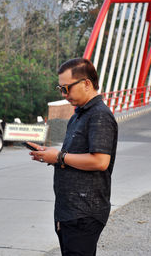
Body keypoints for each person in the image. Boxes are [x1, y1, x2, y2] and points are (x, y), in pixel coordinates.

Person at [28, 58, 118, 256]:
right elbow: (71, 157)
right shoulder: (79, 115)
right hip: (69, 210)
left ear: (86, 83)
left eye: (66, 88)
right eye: (60, 88)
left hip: (84, 212)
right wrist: (49, 155)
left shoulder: (99, 115)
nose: (63, 94)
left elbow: (100, 161)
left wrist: (59, 157)